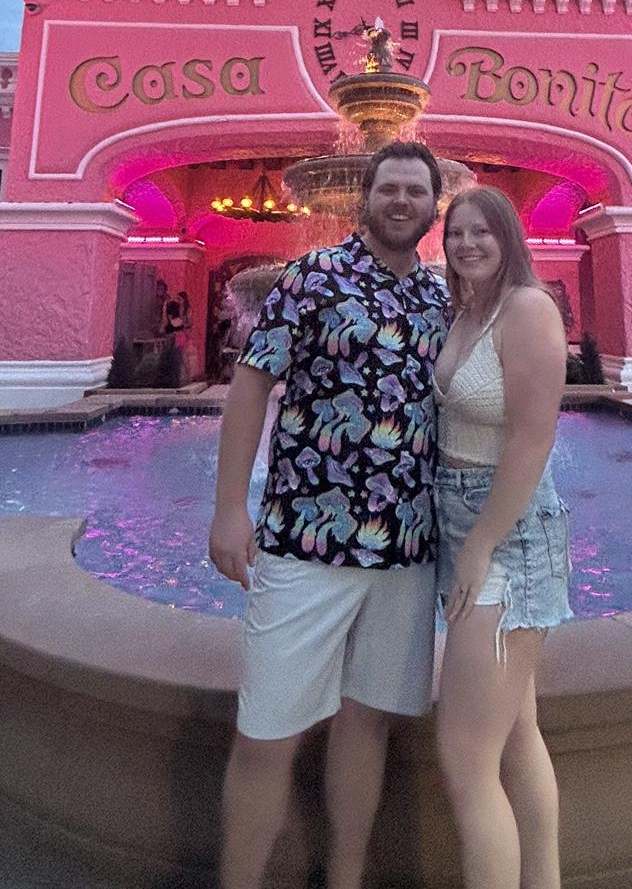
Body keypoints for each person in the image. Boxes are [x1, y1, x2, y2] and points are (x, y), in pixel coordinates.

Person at [209, 140, 451, 889]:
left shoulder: (441, 298)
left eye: (416, 190)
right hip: (304, 543)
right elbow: (252, 387)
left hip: (405, 552)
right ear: (365, 198)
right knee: (266, 735)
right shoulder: (313, 277)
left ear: (432, 204)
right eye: (390, 189)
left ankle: (345, 878)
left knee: (367, 721)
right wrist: (228, 512)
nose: (402, 201)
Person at [432, 187, 571, 889]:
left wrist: (481, 544)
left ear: (509, 236)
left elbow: (532, 440)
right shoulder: (467, 310)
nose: (467, 244)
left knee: (464, 758)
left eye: (482, 231)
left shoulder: (528, 309)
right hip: (459, 516)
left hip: (506, 531)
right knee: (516, 738)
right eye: (456, 232)